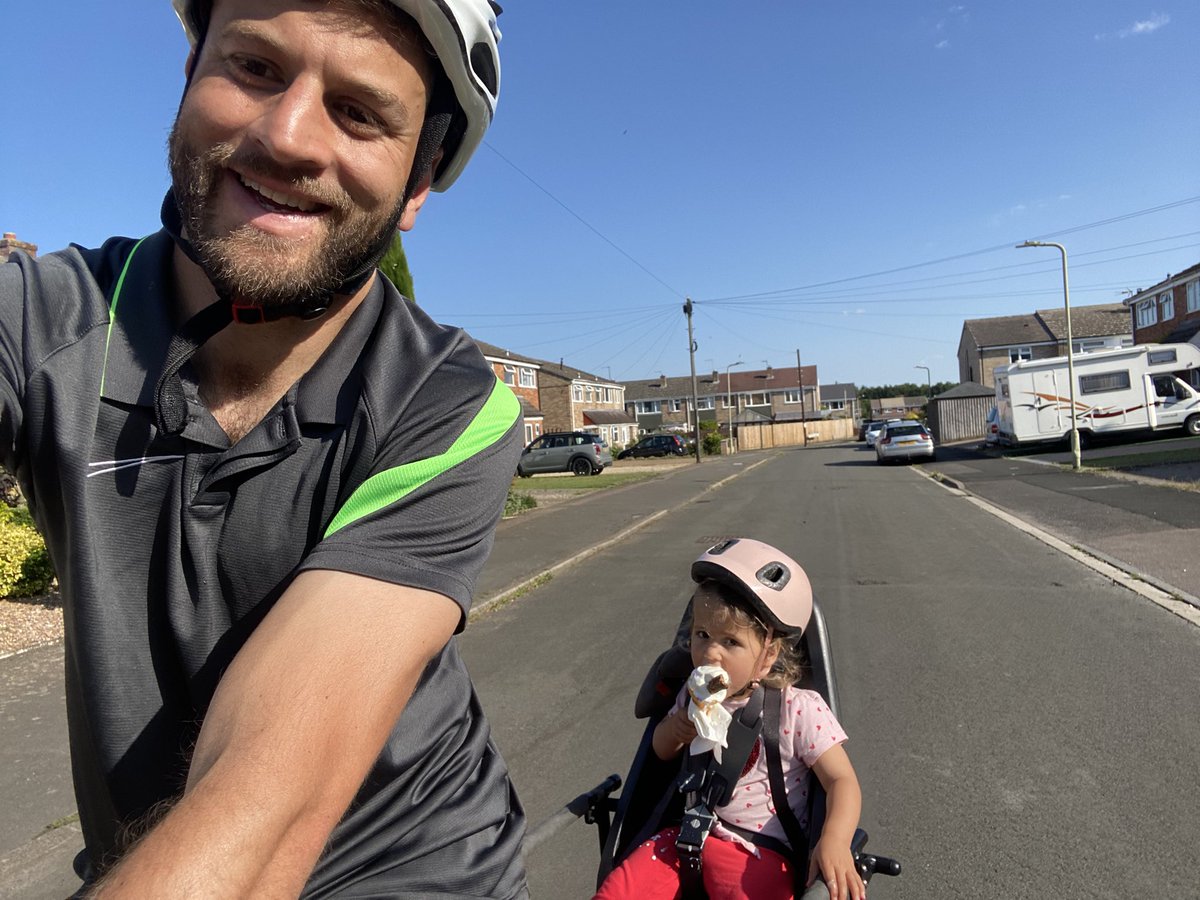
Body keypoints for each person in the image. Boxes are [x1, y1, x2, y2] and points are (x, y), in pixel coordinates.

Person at [0, 0, 529, 896]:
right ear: (190, 73)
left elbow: (267, 800)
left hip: (419, 868)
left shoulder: (446, 402)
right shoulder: (40, 321)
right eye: (252, 67)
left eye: (360, 112)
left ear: (417, 183)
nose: (287, 136)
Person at [596, 539, 866, 900]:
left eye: (730, 642)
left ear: (768, 655)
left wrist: (834, 839)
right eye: (702, 635)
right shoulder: (690, 694)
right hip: (687, 833)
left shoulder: (798, 710)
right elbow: (660, 751)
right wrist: (677, 729)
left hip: (759, 849)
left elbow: (841, 780)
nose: (710, 652)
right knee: (618, 891)